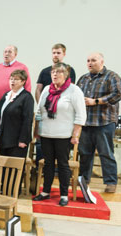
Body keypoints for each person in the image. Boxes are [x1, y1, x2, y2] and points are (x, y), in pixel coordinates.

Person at [33, 63, 86, 206]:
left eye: (59, 72)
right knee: (48, 164)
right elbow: (39, 112)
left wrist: (76, 135)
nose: (55, 75)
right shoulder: (46, 89)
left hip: (63, 135)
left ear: (66, 75)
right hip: (46, 134)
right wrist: (36, 130)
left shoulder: (74, 91)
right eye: (53, 72)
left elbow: (81, 115)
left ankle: (64, 195)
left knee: (63, 165)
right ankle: (46, 192)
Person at [77, 53, 120, 193]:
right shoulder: (83, 79)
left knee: (106, 153)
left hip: (104, 122)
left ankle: (111, 182)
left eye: (93, 60)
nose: (90, 63)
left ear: (102, 61)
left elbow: (117, 94)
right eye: (88, 60)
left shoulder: (111, 76)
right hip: (86, 122)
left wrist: (96, 101)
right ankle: (84, 180)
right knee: (85, 154)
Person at [0, 69, 34, 158]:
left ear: (23, 81)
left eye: (16, 79)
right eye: (11, 79)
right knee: (4, 168)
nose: (12, 81)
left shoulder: (26, 97)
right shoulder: (6, 95)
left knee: (15, 168)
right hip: (4, 139)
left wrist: (23, 140)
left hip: (17, 141)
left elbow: (27, 120)